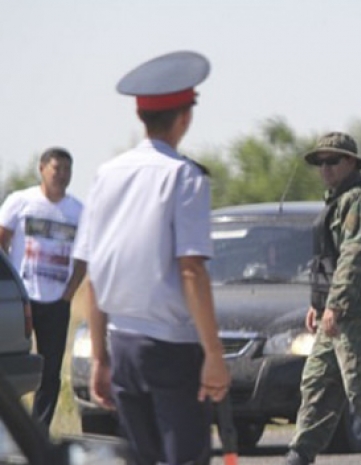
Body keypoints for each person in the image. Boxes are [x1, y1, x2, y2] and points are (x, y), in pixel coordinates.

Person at [72, 50, 230, 465]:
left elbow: (96, 274)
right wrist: (214, 354)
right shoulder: (184, 176)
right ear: (184, 117)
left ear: (142, 116)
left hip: (123, 345)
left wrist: (100, 358)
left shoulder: (106, 175)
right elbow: (191, 270)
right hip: (172, 348)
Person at [285, 132, 361, 465]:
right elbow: (329, 261)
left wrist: (335, 305)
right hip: (335, 315)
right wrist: (319, 303)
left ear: (351, 162)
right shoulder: (338, 199)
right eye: (320, 162)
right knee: (317, 385)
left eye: (333, 160)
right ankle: (299, 454)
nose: (325, 168)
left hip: (358, 314)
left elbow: (355, 255)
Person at [0, 147, 85, 430]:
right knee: (11, 365)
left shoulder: (77, 211)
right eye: (56, 168)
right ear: (42, 169)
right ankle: (9, 427)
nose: (61, 175)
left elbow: (84, 257)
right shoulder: (22, 201)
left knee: (50, 372)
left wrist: (68, 294)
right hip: (23, 298)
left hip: (56, 299)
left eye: (67, 170)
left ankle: (39, 432)